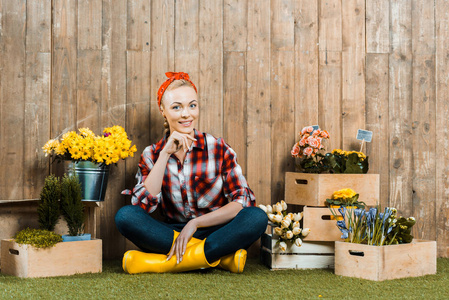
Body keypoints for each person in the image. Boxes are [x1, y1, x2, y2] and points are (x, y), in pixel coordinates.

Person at [115, 72, 268, 274]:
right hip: (172, 234)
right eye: (176, 107)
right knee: (125, 216)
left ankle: (165, 262)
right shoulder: (151, 154)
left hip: (217, 230)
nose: (186, 114)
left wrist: (195, 224)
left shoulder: (218, 148)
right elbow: (144, 204)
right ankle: (219, 259)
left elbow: (241, 202)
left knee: (256, 217)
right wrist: (165, 154)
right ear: (163, 110)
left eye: (192, 105)